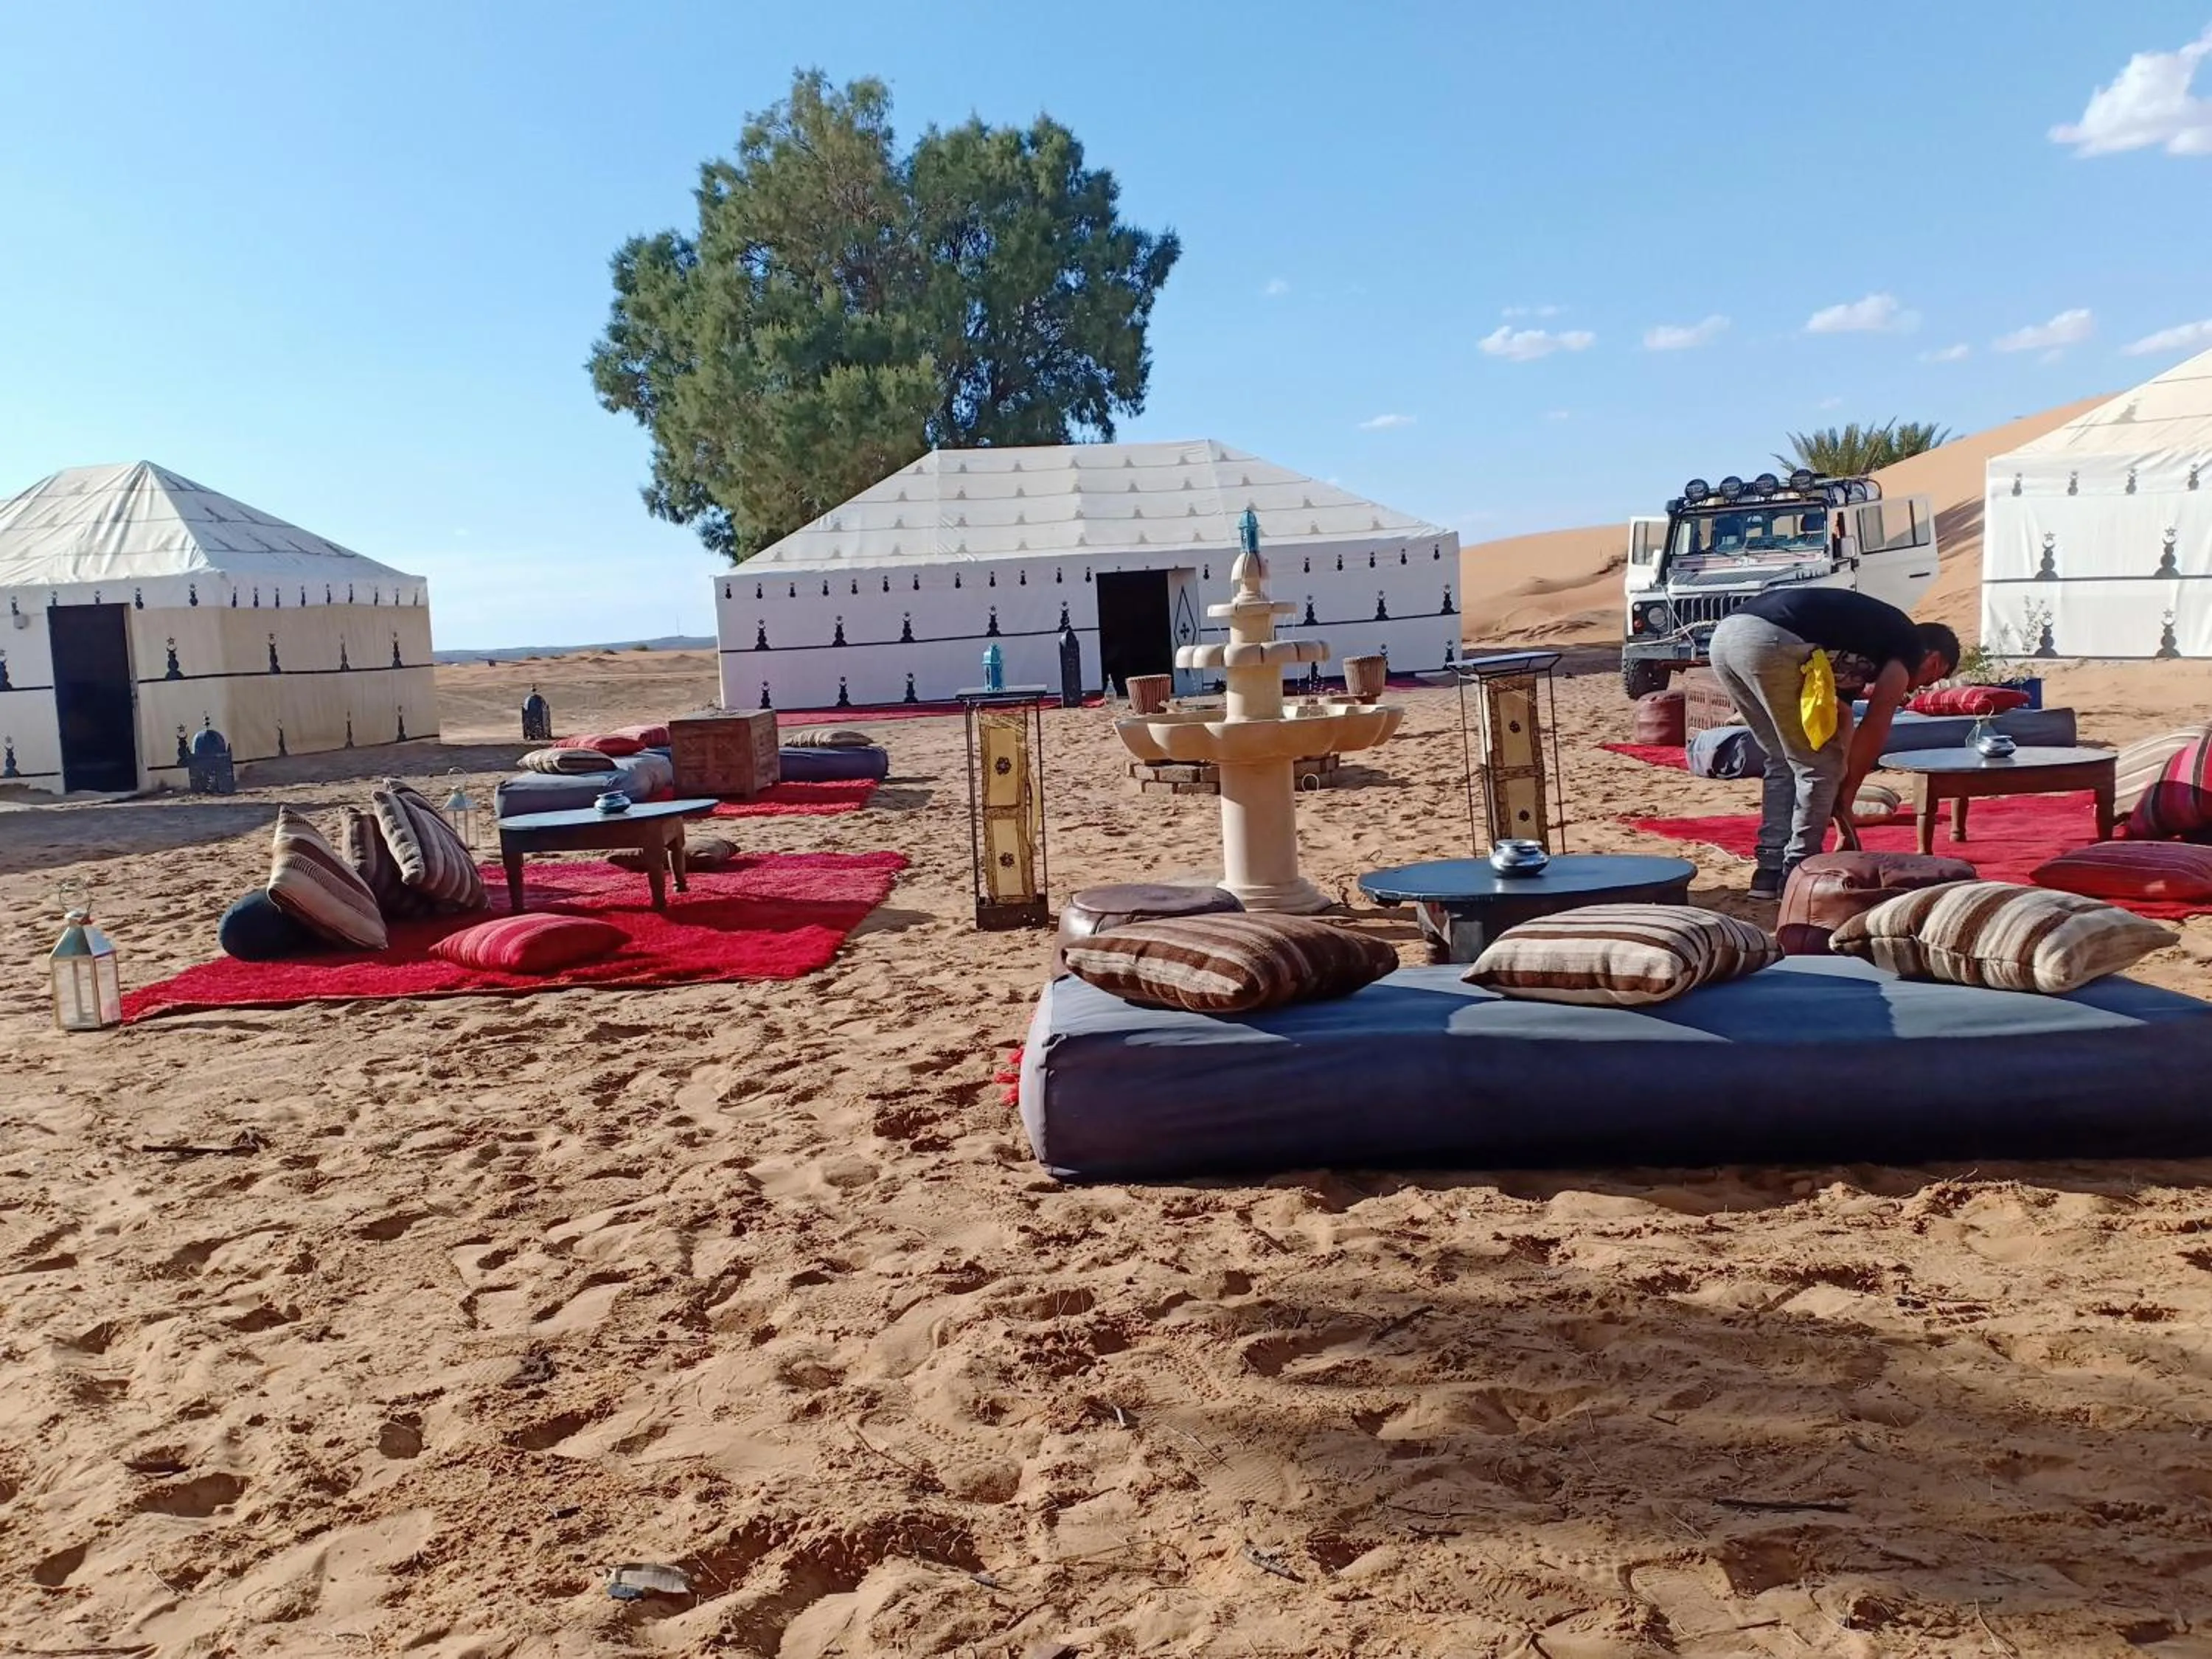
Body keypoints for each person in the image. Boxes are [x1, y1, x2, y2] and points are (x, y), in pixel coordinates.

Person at [1707, 588, 1959, 899]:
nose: (1920, 688)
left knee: (1782, 758)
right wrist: (1846, 792)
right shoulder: (1907, 646)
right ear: (1935, 663)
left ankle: (1768, 873)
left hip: (1725, 639)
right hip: (1773, 640)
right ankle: (1799, 871)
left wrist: (1843, 816)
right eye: (1931, 680)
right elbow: (1876, 724)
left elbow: (1842, 721)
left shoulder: (1859, 645)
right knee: (1816, 766)